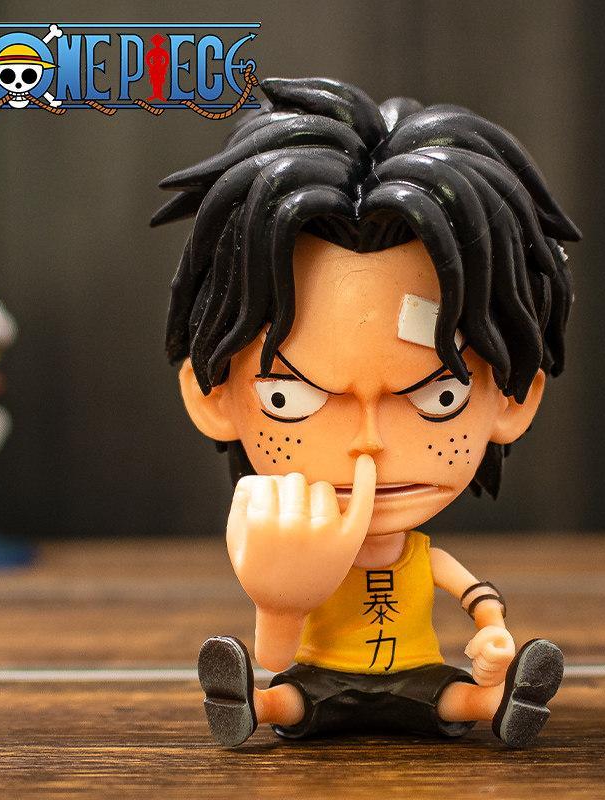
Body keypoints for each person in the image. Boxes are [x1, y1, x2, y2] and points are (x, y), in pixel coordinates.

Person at [152, 76, 580, 747]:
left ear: (514, 397)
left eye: (440, 396)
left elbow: (474, 597)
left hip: (419, 678)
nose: (368, 442)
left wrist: (494, 634)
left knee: (453, 697)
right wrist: (278, 601)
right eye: (289, 398)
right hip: (319, 678)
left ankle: (497, 702)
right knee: (289, 694)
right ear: (214, 397)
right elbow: (276, 654)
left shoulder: (421, 556)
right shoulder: (289, 552)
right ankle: (253, 706)